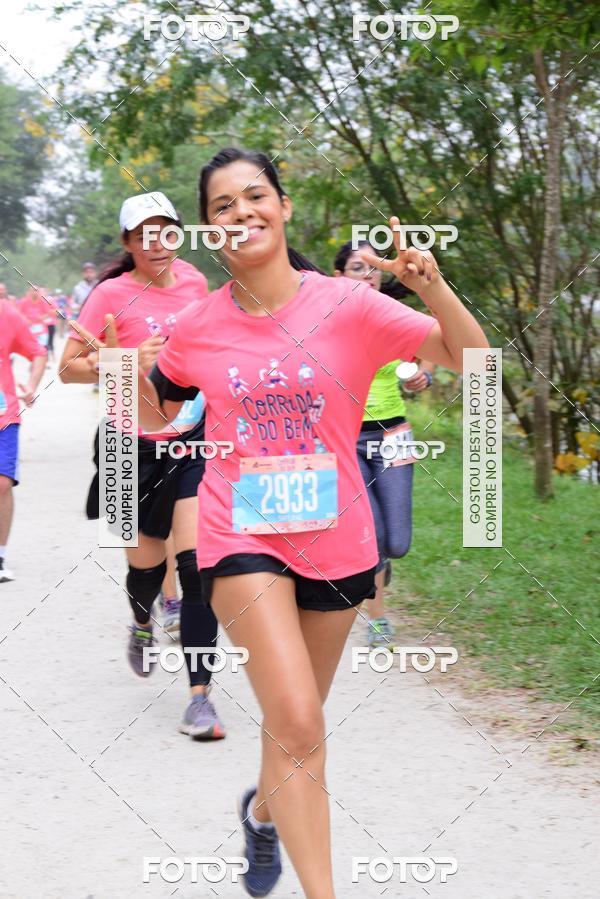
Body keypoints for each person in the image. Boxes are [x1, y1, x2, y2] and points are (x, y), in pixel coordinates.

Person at [136, 147, 488, 898]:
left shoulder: (349, 304)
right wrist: (128, 372)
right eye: (222, 206)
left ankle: (262, 813)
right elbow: (149, 415)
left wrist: (435, 286)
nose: (241, 213)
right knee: (296, 717)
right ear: (210, 229)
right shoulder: (198, 324)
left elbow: (474, 359)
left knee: (294, 732)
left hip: (338, 542)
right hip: (240, 533)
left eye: (254, 196)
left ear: (284, 207)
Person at [59, 191, 225, 741]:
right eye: (144, 234)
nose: (157, 243)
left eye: (167, 231)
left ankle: (200, 698)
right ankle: (139, 622)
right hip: (127, 447)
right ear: (129, 243)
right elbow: (70, 370)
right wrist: (128, 359)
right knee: (147, 569)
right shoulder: (109, 295)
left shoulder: (199, 285)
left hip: (192, 443)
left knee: (198, 567)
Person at [334, 239, 435, 647]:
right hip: (346, 439)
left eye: (374, 268)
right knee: (372, 533)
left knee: (397, 542)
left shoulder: (395, 315)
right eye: (358, 268)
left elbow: (431, 344)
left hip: (394, 436)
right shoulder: (327, 320)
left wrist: (422, 375)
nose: (368, 275)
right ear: (338, 275)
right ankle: (378, 618)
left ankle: (381, 563)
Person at [0, 293, 47, 581]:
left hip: (4, 414)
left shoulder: (6, 313)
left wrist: (31, 385)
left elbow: (38, 351)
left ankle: (0, 556)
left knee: (3, 484)